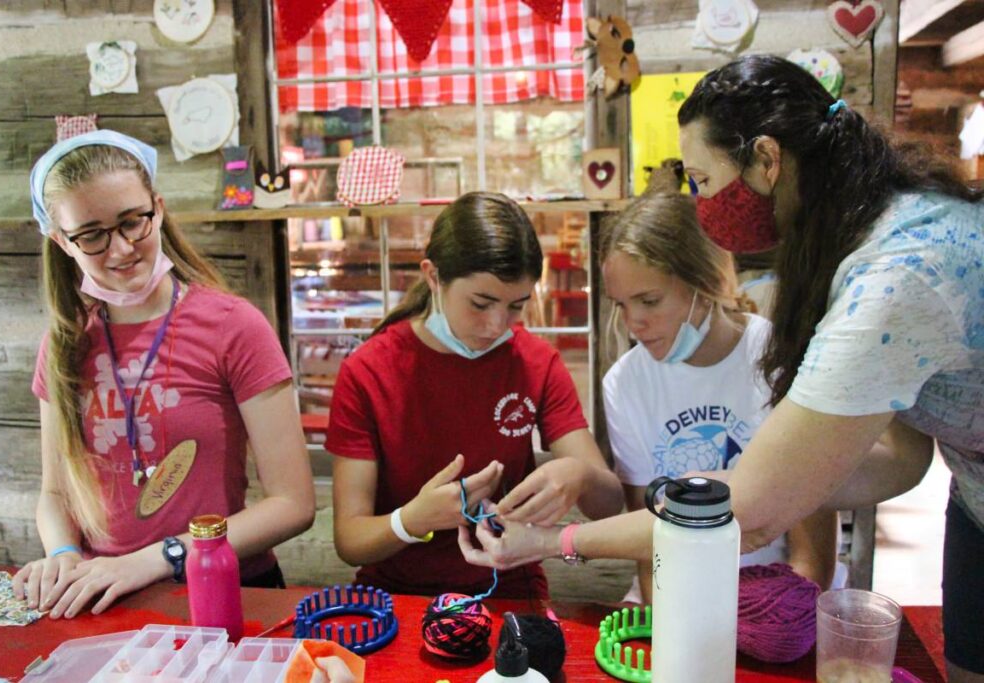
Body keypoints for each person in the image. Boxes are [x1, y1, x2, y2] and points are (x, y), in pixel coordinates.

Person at [459, 55, 982, 682]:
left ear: (767, 159)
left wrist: (552, 542)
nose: (702, 207)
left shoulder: (896, 279)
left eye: (703, 181)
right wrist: (737, 482)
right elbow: (901, 457)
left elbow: (759, 508)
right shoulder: (880, 236)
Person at [12, 131, 316, 619]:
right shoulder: (64, 345)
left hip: (224, 590)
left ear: (158, 207)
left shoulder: (232, 326)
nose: (121, 249)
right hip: (105, 599)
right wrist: (63, 556)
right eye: (91, 235)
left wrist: (157, 560)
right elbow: (55, 494)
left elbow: (293, 503)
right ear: (60, 240)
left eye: (133, 222)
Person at [327, 191, 624, 599]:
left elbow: (607, 503)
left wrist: (580, 475)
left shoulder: (535, 362)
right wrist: (412, 520)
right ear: (433, 277)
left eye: (516, 307)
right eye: (481, 304)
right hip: (397, 595)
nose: (496, 325)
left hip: (508, 588)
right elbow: (350, 539)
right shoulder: (368, 372)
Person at [599, 192, 842, 604]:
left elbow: (811, 560)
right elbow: (649, 542)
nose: (633, 322)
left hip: (777, 591)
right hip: (676, 588)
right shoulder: (624, 384)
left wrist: (769, 615)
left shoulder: (779, 357)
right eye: (621, 305)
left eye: (649, 301)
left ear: (707, 283)